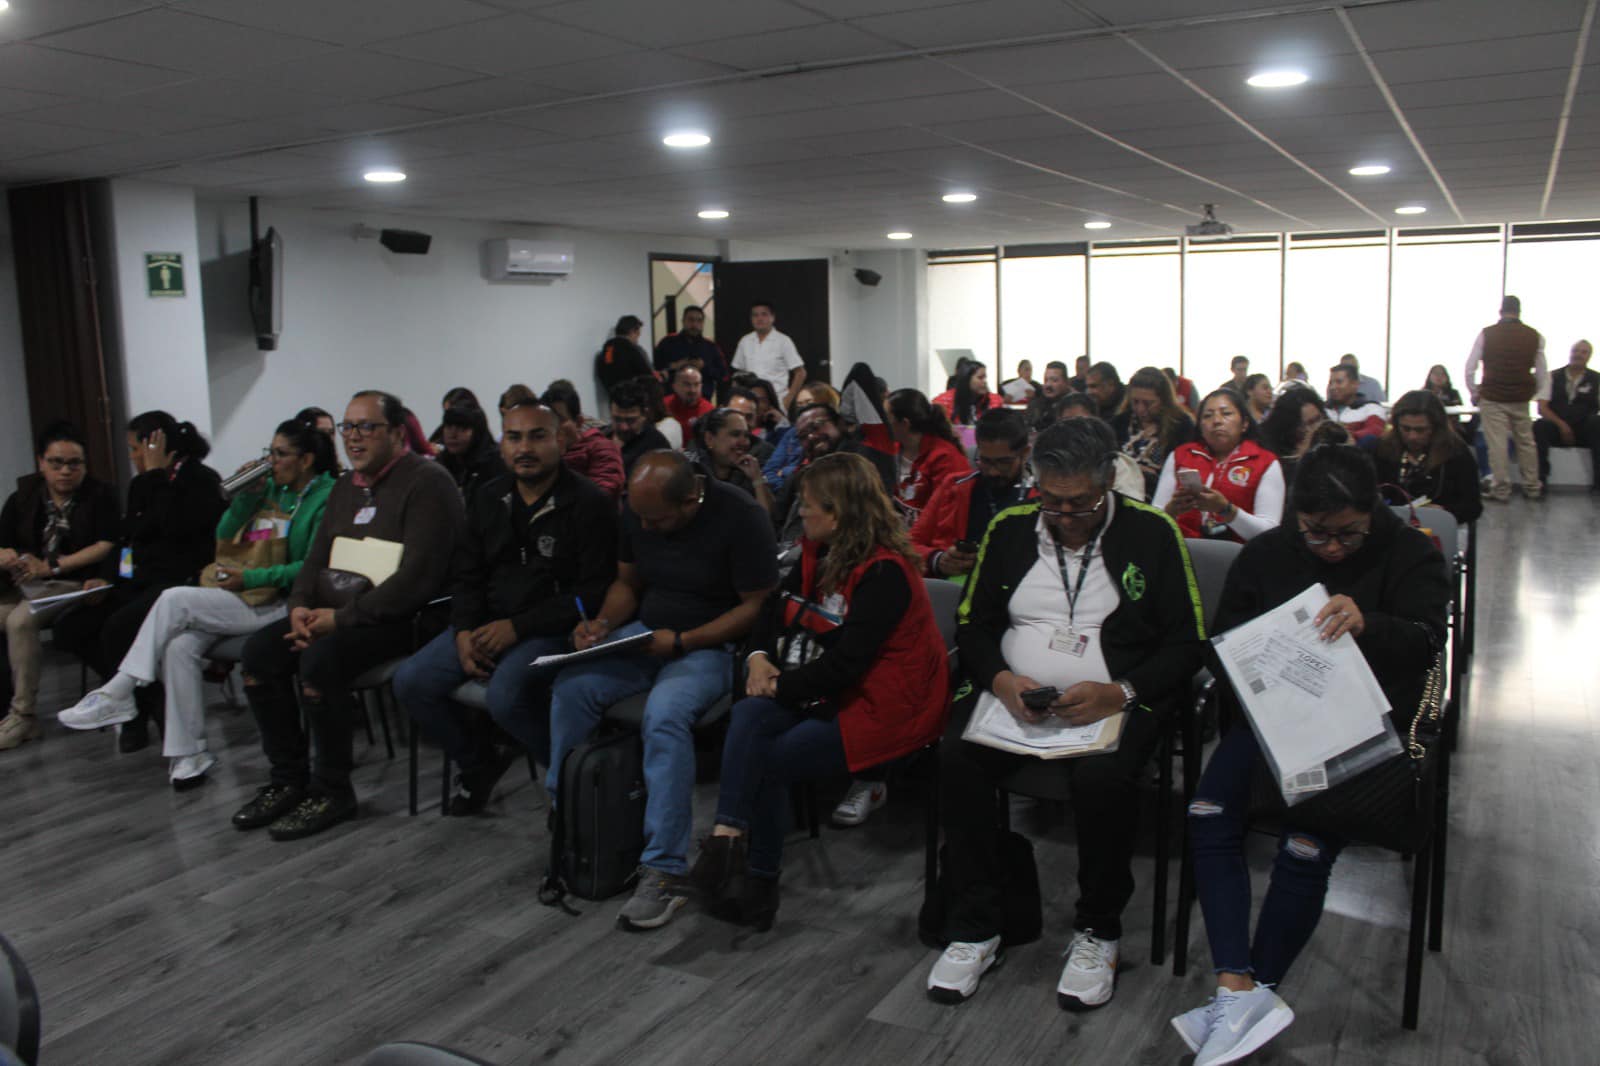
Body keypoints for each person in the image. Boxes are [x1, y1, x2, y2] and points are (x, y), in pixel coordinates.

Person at [1175, 444, 1448, 1066]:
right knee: (1208, 815)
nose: (1331, 548)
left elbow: (1429, 642)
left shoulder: (1409, 553)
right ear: (1296, 517)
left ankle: (1254, 991)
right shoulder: (1269, 552)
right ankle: (1236, 988)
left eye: (1347, 534)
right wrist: (1259, 657)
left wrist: (1370, 623)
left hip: (1360, 727)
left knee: (1305, 847)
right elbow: (1221, 640)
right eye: (1316, 533)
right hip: (1274, 719)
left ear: (1372, 513)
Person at [927, 417, 1207, 1008]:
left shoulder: (1152, 533)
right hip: (1015, 698)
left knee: (1102, 777)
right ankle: (977, 924)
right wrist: (1001, 680)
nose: (1065, 516)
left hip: (1113, 697)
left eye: (1081, 503)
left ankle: (1098, 929)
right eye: (1051, 501)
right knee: (957, 759)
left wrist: (1119, 692)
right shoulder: (1010, 527)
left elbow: (1188, 643)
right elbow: (973, 623)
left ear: (1108, 481)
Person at [690, 451, 950, 928]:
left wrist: (776, 684)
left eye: (809, 504)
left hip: (887, 704)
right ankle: (729, 840)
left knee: (765, 757)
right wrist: (758, 657)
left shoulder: (885, 573)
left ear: (839, 512)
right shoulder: (818, 550)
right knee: (747, 716)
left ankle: (756, 878)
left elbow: (849, 664)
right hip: (829, 686)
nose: (801, 511)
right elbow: (773, 609)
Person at [546, 452, 779, 930]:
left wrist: (685, 641)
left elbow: (759, 607)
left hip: (711, 645)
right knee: (572, 687)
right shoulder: (639, 509)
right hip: (647, 634)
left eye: (657, 520)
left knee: (664, 715)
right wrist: (602, 624)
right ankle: (570, 824)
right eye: (640, 518)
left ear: (691, 499)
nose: (646, 527)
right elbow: (627, 583)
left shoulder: (740, 515)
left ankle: (665, 869)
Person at [231, 391, 464, 841]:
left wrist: (338, 621)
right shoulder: (346, 486)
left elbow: (416, 579)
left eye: (366, 427)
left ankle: (331, 789)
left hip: (406, 618)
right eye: (348, 427)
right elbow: (316, 559)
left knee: (320, 660)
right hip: (337, 611)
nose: (354, 437)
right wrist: (300, 607)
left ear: (397, 433)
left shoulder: (428, 482)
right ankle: (288, 779)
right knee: (258, 653)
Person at [58, 418, 338, 786]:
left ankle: (121, 688)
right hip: (247, 594)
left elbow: (312, 567)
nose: (271, 461)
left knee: (175, 599)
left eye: (280, 454)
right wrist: (247, 497)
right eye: (268, 452)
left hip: (287, 602)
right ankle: (189, 755)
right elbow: (224, 535)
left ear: (306, 460)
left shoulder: (326, 497)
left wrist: (251, 578)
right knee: (179, 645)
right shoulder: (271, 487)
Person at [393, 401, 617, 814]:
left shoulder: (589, 503)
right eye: (513, 437)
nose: (524, 448)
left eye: (537, 436)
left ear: (560, 440)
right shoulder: (488, 496)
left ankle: (571, 780)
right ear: (502, 443)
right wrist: (463, 630)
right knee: (411, 681)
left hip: (552, 629)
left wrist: (518, 627)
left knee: (506, 696)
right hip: (486, 624)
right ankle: (478, 762)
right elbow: (467, 573)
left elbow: (591, 593)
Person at [52, 411, 225, 753]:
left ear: (155, 446)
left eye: (135, 448)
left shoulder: (199, 479)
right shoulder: (142, 483)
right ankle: (139, 700)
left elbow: (175, 528)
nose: (132, 456)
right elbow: (127, 537)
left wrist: (158, 477)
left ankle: (140, 711)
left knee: (118, 629)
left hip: (181, 583)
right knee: (71, 627)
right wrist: (103, 578)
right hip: (138, 581)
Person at [0, 422, 120, 751]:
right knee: (8, 616)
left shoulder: (100, 496)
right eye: (56, 463)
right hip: (27, 584)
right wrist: (7, 556)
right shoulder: (24, 497)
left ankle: (23, 716)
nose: (65, 471)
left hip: (75, 582)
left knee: (20, 621)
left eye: (74, 463)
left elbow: (107, 544)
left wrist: (52, 566)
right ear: (41, 463)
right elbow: (3, 542)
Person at [912, 408, 1033, 580]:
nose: (993, 471)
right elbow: (910, 544)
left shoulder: (1041, 497)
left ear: (1025, 453)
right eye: (985, 461)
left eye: (1004, 462)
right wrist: (937, 559)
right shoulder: (954, 486)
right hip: (955, 586)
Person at [1153, 388, 1283, 543]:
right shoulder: (1181, 455)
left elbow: (1269, 532)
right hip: (1181, 548)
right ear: (1200, 427)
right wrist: (1171, 511)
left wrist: (1226, 510)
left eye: (1226, 413)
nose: (1216, 421)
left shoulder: (1265, 462)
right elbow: (1154, 518)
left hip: (1239, 553)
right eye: (1208, 416)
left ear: (1245, 424)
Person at [1466, 294, 1549, 501]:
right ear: (1519, 311)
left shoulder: (1487, 334)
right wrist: (1535, 393)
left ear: (1501, 311)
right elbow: (1542, 372)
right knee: (1526, 442)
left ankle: (1501, 490)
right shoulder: (1534, 336)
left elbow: (1470, 368)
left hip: (1492, 397)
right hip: (1521, 398)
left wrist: (1475, 392)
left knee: (1497, 444)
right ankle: (1532, 486)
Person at [1373, 391, 1484, 523]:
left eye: (1420, 430)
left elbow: (1473, 507)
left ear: (1436, 427)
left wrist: (1444, 512)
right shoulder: (1381, 449)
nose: (1412, 436)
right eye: (1406, 429)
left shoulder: (1457, 453)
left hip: (1437, 525)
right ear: (1396, 426)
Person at [887, 389, 971, 526]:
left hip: (929, 534)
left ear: (904, 424)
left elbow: (946, 516)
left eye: (886, 418)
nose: (881, 424)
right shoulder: (891, 451)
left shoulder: (946, 458)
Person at [1109, 367, 1194, 498]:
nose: (1140, 409)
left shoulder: (1181, 425)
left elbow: (1185, 468)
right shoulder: (1119, 423)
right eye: (1135, 402)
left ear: (1164, 400)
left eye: (1148, 403)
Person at [1048, 394, 1146, 499]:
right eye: (1068, 423)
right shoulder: (1048, 461)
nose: (1076, 429)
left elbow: (1129, 504)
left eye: (1083, 422)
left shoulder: (1120, 465)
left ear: (1096, 423)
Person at [1534, 338, 1600, 491]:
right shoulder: (1552, 376)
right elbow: (1542, 407)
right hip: (1557, 427)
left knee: (1596, 423)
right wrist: (1562, 426)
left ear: (1589, 356)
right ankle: (1540, 479)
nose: (1578, 355)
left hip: (1584, 429)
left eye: (1583, 352)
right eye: (1575, 351)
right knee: (1540, 426)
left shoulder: (1596, 379)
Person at [542, 381, 624, 499]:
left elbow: (601, 496)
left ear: (578, 422)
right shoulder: (543, 454)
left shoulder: (602, 448)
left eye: (560, 420)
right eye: (547, 421)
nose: (553, 427)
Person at [688, 407, 776, 512]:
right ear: (709, 439)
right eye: (735, 434)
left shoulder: (747, 471)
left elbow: (765, 518)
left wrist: (757, 479)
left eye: (746, 435)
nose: (745, 442)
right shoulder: (691, 472)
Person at [732, 301, 805, 411]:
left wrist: (787, 400)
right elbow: (738, 374)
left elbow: (800, 373)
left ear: (772, 317)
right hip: (750, 401)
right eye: (755, 315)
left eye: (764, 314)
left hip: (776, 400)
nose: (759, 318)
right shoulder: (745, 341)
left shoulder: (783, 341)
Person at [1258, 386, 1328, 494]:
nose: (1317, 427)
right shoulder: (1273, 460)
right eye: (1309, 423)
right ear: (1291, 427)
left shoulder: (1328, 444)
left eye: (1318, 419)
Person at [652, 304, 727, 401]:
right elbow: (654, 370)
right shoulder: (667, 343)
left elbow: (723, 375)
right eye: (691, 320)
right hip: (672, 401)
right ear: (683, 321)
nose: (695, 324)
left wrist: (704, 367)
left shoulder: (711, 347)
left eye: (699, 321)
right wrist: (673, 366)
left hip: (702, 401)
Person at [435, 403, 506, 500]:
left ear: (477, 432)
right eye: (448, 427)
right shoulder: (441, 463)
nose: (452, 435)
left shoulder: (495, 464)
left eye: (462, 428)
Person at [609, 378, 671, 476]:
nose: (624, 427)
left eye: (630, 420)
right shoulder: (601, 437)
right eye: (617, 419)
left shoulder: (657, 447)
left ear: (645, 414)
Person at [594, 314, 653, 401]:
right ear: (632, 331)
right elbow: (647, 376)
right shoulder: (632, 349)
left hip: (614, 399)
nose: (637, 339)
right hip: (634, 399)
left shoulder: (608, 349)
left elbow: (604, 370)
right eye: (638, 334)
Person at [1324, 365, 1386, 445]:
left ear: (1355, 384)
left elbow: (1375, 430)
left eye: (1339, 382)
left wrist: (1350, 436)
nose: (1333, 387)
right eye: (1330, 383)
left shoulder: (1372, 408)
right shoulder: (1322, 409)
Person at [725, 387, 775, 464]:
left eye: (749, 417)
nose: (743, 423)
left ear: (756, 418)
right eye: (737, 415)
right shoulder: (708, 440)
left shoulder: (764, 451)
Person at [664, 366, 715, 440]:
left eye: (696, 384)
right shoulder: (663, 406)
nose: (692, 390)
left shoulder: (709, 411)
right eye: (687, 384)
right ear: (675, 386)